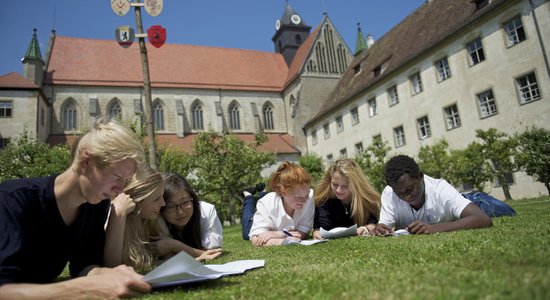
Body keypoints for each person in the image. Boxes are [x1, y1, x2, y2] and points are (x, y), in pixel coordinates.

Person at [0, 120, 151, 299]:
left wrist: (108, 275)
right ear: (85, 161)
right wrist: (84, 288)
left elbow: (84, 265)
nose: (119, 189)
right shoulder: (12, 199)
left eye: (124, 181)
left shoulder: (95, 205)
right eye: (117, 177)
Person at [373, 155, 492, 235]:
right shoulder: (390, 193)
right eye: (400, 193)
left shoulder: (441, 189)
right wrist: (380, 229)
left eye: (410, 189)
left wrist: (434, 228)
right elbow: (384, 226)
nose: (407, 197)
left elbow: (483, 219)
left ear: (420, 176)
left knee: (493, 207)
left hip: (475, 200)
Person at [103, 166, 166, 271]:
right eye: (156, 199)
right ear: (136, 199)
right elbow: (111, 266)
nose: (163, 203)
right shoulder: (114, 217)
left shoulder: (148, 219)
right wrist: (119, 214)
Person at [150, 173, 223, 261]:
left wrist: (174, 246)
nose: (180, 212)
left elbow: (212, 253)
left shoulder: (207, 212)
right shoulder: (154, 220)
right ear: (162, 208)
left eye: (185, 202)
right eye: (171, 206)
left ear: (192, 198)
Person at [248, 161, 315, 246]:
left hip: (271, 231)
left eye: (306, 195)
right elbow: (256, 240)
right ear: (283, 191)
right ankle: (248, 196)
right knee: (247, 222)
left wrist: (276, 234)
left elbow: (303, 232)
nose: (304, 200)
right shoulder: (266, 203)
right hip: (253, 223)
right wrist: (287, 239)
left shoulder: (309, 197)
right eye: (298, 197)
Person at [313, 158, 381, 239]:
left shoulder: (366, 198)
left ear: (356, 184)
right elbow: (320, 227)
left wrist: (365, 228)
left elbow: (372, 223)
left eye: (345, 186)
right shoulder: (324, 199)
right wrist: (317, 233)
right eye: (335, 184)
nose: (339, 190)